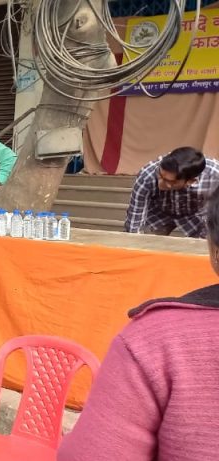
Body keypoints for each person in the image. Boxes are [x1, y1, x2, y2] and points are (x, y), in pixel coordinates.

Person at [57, 188, 219, 461]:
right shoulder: (147, 179)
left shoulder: (157, 340)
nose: (165, 183)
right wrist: (131, 239)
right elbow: (135, 215)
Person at [124, 146, 219, 238]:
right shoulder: (147, 175)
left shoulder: (215, 175)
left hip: (196, 214)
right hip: (159, 212)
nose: (160, 183)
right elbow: (135, 217)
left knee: (206, 244)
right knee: (144, 243)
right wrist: (133, 239)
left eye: (169, 181)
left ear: (191, 181)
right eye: (160, 175)